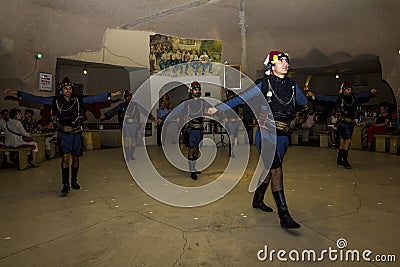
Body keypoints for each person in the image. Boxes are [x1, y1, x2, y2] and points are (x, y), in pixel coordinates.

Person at [209, 51, 310, 228]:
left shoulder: (293, 85)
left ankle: (258, 198)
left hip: (284, 136)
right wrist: (219, 108)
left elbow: (304, 102)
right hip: (267, 134)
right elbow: (241, 98)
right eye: (281, 61)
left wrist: (312, 100)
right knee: (276, 170)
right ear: (272, 65)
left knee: (269, 169)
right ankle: (284, 215)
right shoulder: (263, 84)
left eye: (287, 61)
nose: (285, 64)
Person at [4, 77, 122, 195]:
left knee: (75, 158)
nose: (68, 91)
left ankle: (74, 180)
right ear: (62, 90)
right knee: (65, 158)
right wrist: (16, 93)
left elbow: (93, 98)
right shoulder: (55, 101)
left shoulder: (78, 99)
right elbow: (37, 99)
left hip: (76, 133)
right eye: (65, 88)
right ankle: (65, 185)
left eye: (70, 88)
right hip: (64, 134)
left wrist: (110, 95)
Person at [306, 81, 377, 168]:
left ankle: (339, 159)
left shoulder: (353, 97)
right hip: (343, 123)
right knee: (348, 141)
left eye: (350, 89)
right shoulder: (339, 98)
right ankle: (345, 161)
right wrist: (314, 95)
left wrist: (370, 92)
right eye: (347, 89)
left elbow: (362, 95)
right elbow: (327, 98)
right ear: (343, 90)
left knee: (343, 141)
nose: (349, 91)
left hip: (350, 123)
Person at [168, 81, 212, 180]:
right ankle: (191, 170)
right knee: (191, 149)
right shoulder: (185, 102)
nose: (197, 91)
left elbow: (213, 109)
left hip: (199, 128)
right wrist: (163, 119)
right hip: (190, 129)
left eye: (199, 89)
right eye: (195, 89)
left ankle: (194, 167)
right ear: (191, 91)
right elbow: (175, 112)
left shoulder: (203, 102)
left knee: (196, 149)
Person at [102, 90, 154, 160]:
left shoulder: (135, 105)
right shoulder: (121, 105)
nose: (128, 98)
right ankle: (127, 156)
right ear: (125, 97)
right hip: (125, 125)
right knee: (126, 140)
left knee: (133, 140)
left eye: (130, 96)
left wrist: (151, 117)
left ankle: (131, 155)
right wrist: (105, 115)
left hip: (134, 125)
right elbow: (113, 110)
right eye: (127, 96)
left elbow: (143, 110)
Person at [223, 90, 240, 157]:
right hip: (229, 122)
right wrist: (224, 118)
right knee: (231, 137)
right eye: (230, 96)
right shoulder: (225, 104)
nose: (231, 98)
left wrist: (238, 118)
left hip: (235, 121)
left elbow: (238, 111)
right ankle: (231, 152)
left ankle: (232, 151)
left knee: (234, 137)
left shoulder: (235, 104)